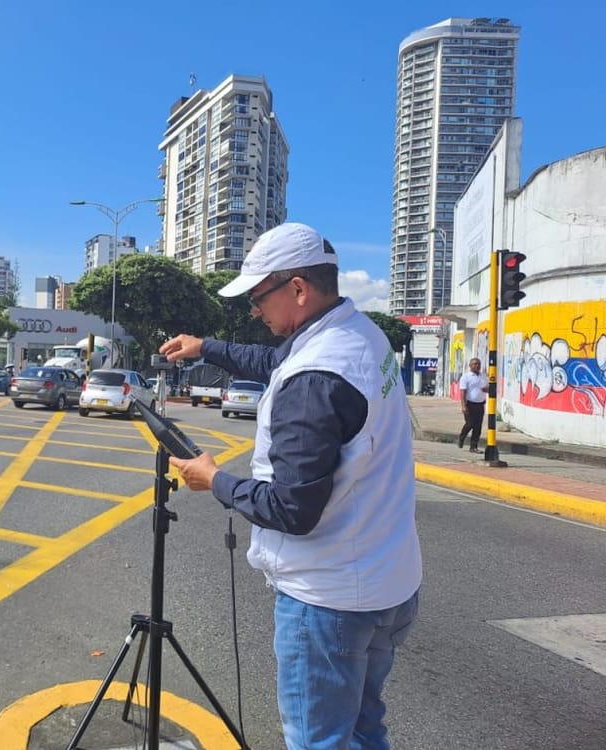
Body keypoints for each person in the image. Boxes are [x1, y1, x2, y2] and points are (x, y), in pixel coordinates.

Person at [159, 222, 421, 750]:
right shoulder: (360, 335)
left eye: (258, 298)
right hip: (390, 582)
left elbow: (291, 509)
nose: (255, 311)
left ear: (298, 288)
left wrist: (215, 480)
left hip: (329, 600)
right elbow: (273, 360)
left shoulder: (314, 378)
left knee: (318, 741)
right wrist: (205, 347)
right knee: (364, 729)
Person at [458, 357, 488, 453]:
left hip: (480, 404)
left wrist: (486, 389)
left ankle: (473, 446)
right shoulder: (466, 377)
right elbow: (463, 392)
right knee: (470, 424)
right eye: (475, 364)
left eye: (478, 364)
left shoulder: (483, 376)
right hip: (469, 404)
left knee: (478, 426)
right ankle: (462, 437)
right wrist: (463, 405)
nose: (477, 366)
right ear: (470, 366)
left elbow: (486, 388)